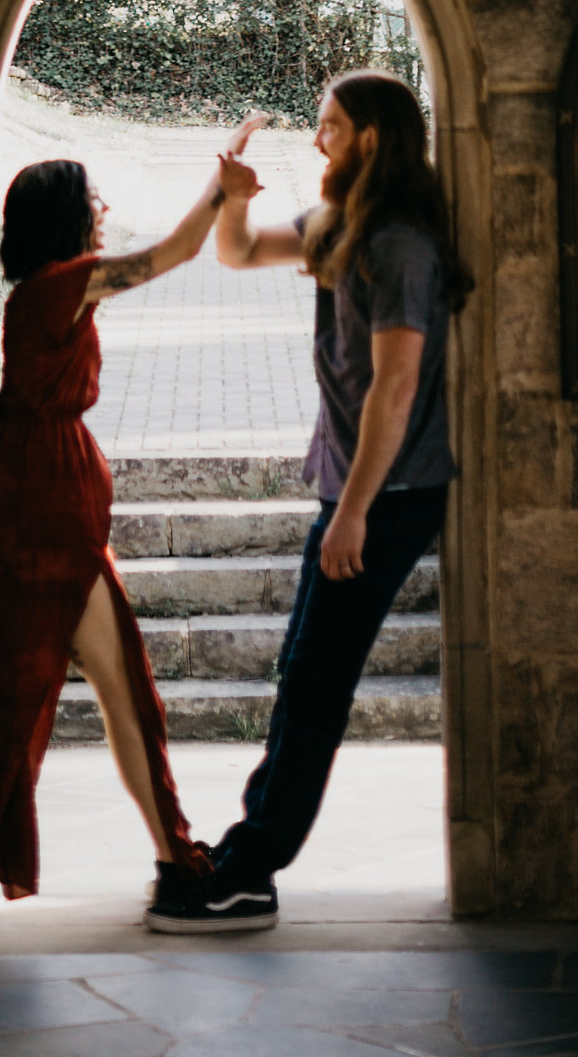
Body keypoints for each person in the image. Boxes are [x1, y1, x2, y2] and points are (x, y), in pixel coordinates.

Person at [147, 66, 471, 930]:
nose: (318, 137)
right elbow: (239, 252)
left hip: (389, 495)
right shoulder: (343, 225)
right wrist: (231, 195)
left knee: (317, 682)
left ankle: (252, 871)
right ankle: (246, 854)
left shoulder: (400, 244)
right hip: (353, 489)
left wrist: (356, 510)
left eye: (330, 125)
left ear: (370, 137)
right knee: (302, 674)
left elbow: (396, 388)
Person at [0, 120, 266, 904]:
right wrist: (220, 188)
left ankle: (171, 854)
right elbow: (174, 254)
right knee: (121, 691)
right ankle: (177, 864)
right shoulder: (61, 285)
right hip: (49, 516)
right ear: (64, 216)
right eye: (92, 198)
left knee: (100, 689)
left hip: (47, 504)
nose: (103, 208)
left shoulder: (39, 294)